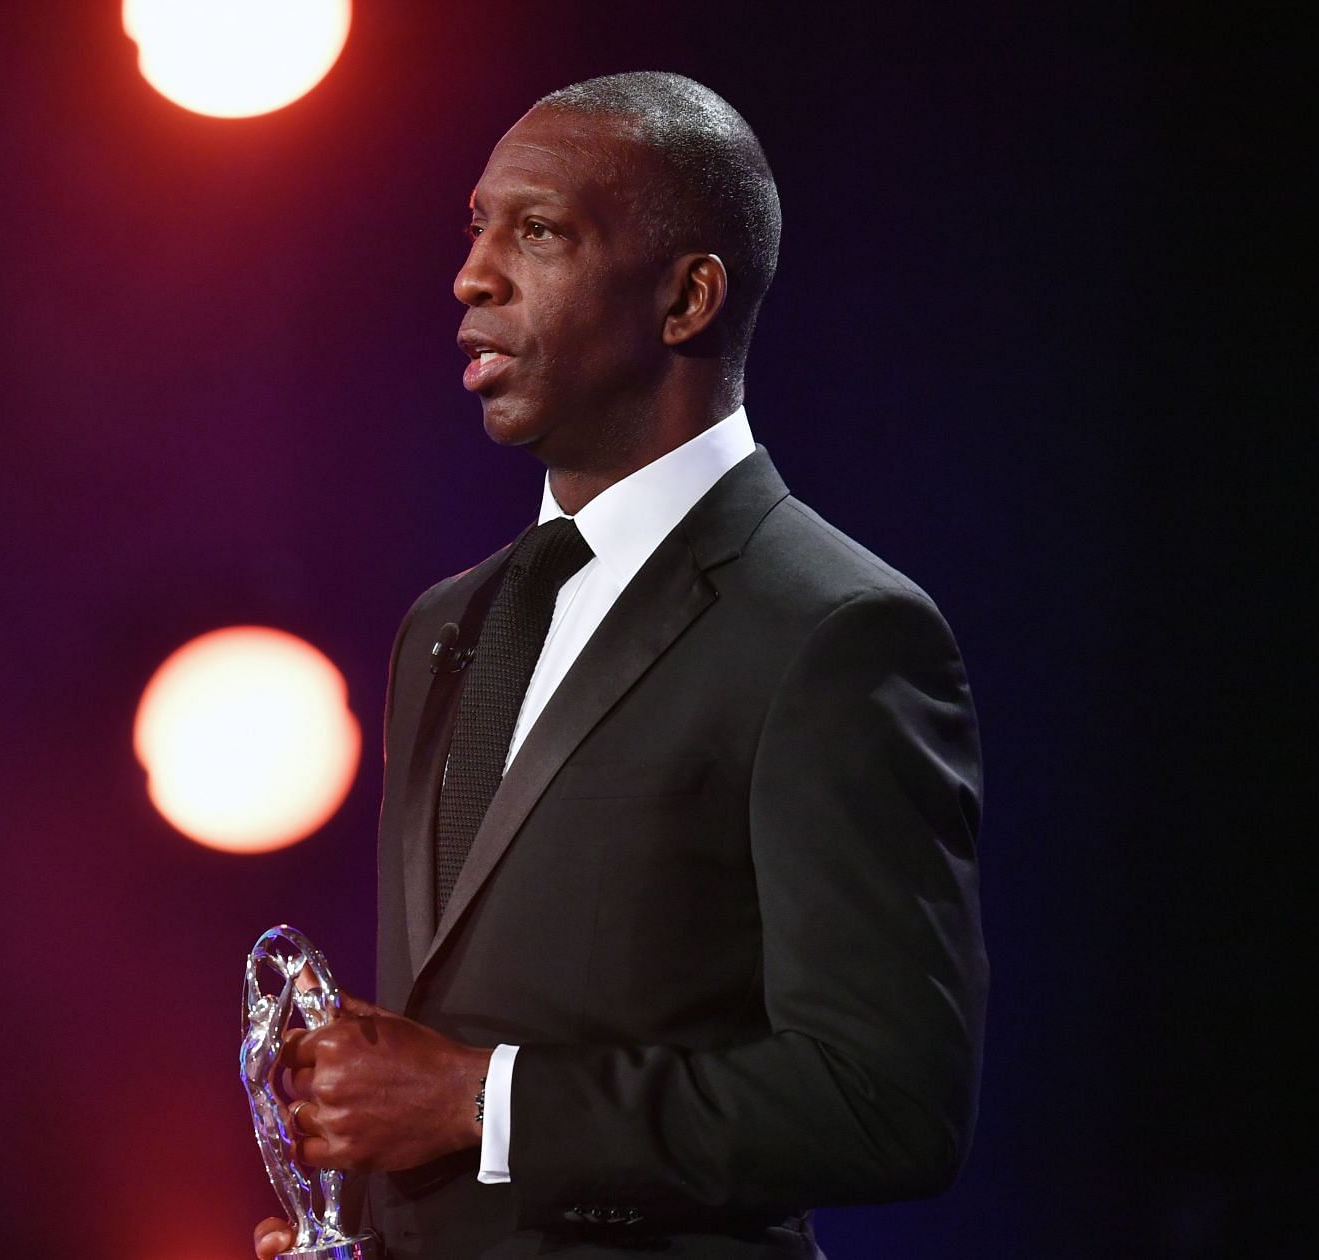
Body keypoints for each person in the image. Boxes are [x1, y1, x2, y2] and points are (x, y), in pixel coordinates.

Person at [253, 71, 985, 1260]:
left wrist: (477, 1101)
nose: (472, 273)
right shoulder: (444, 625)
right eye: (477, 227)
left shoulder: (836, 631)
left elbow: (886, 1102)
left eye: (537, 230)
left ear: (688, 297)